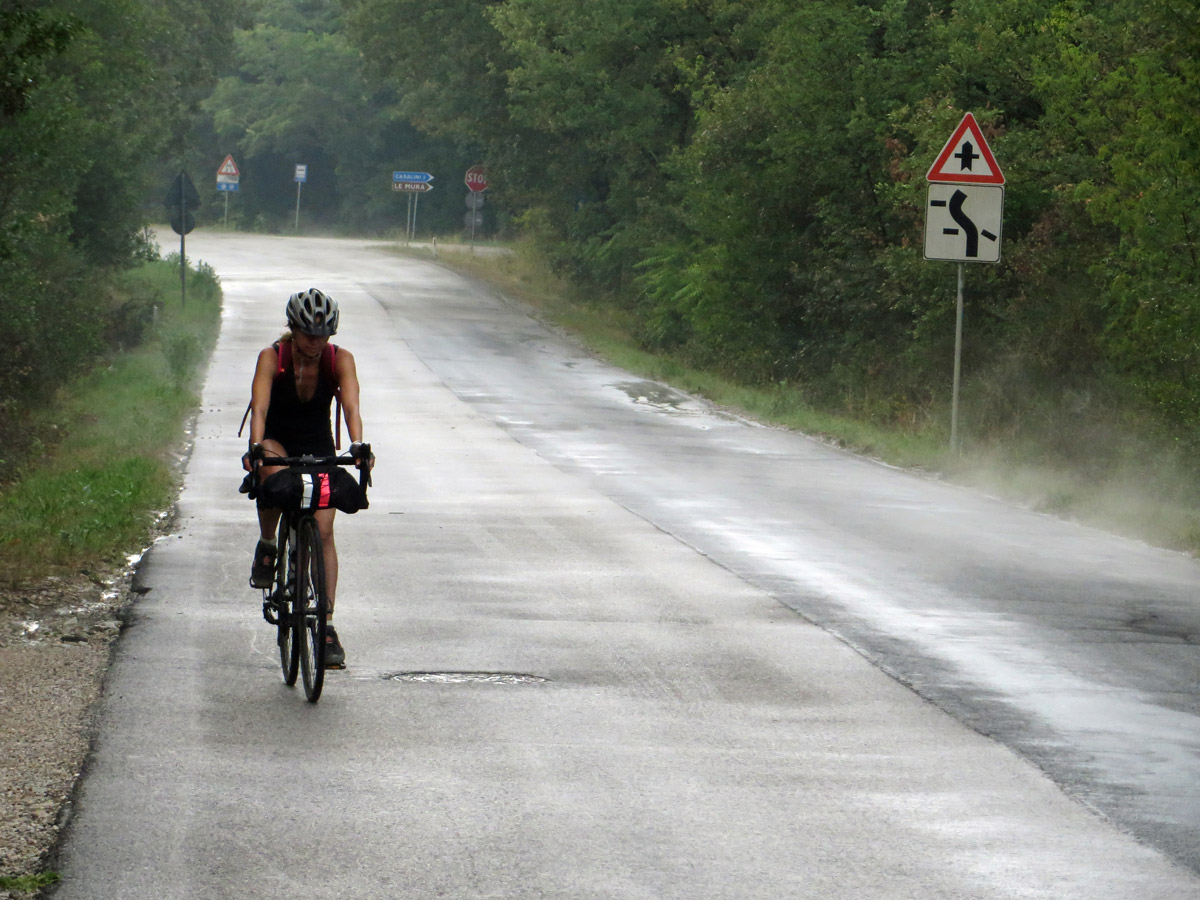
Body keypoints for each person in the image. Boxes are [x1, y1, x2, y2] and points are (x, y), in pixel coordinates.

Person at [241, 288, 370, 668]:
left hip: (318, 446)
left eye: (323, 335)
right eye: (309, 334)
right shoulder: (272, 357)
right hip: (278, 441)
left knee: (324, 531)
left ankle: (326, 627)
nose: (316, 342)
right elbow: (260, 406)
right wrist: (255, 446)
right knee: (273, 482)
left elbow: (351, 407)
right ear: (293, 329)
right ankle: (268, 545)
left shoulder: (339, 359)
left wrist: (359, 446)